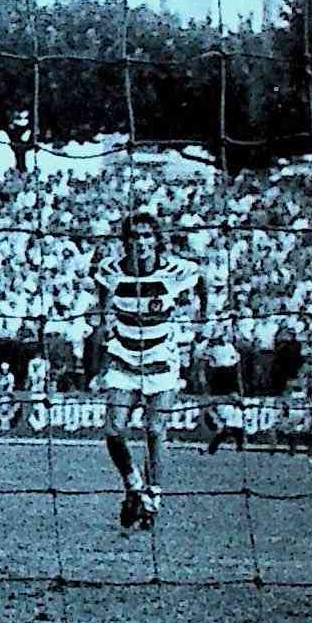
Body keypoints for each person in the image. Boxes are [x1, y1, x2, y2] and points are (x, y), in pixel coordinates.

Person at [92, 211, 199, 530]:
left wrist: (200, 322)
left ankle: (153, 497)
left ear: (156, 240)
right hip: (124, 358)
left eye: (147, 236)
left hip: (161, 360)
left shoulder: (176, 270)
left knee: (154, 429)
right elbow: (103, 302)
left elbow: (200, 280)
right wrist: (105, 326)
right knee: (113, 431)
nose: (141, 243)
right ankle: (133, 485)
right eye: (134, 237)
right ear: (126, 241)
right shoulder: (111, 270)